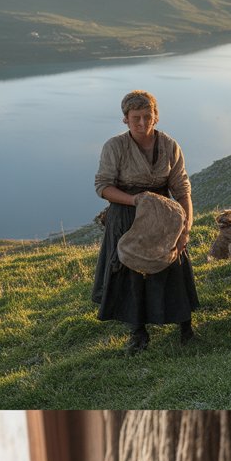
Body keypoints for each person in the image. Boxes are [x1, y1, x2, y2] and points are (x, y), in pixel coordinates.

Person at [92, 89, 198, 354]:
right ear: (125, 120)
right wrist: (136, 200)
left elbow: (182, 189)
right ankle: (138, 333)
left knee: (173, 265)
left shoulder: (171, 146)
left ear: (156, 117)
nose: (142, 123)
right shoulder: (114, 147)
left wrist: (185, 227)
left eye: (147, 117)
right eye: (135, 118)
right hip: (127, 215)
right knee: (131, 273)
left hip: (164, 216)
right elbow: (103, 187)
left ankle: (186, 328)